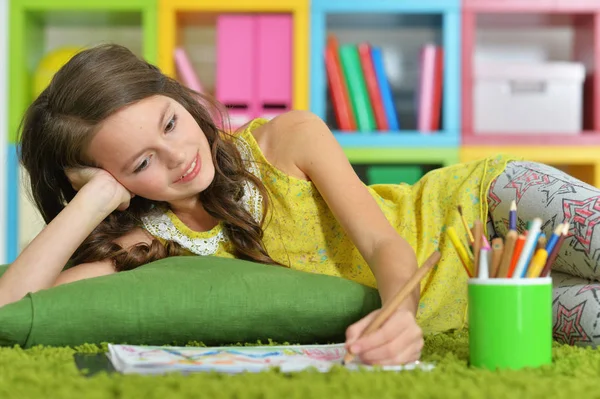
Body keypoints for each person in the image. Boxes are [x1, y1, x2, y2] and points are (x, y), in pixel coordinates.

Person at [2, 44, 600, 363]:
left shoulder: (287, 138)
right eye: (139, 164)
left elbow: (382, 242)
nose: (178, 156)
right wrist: (95, 201)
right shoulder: (151, 243)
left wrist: (399, 316)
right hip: (483, 303)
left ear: (180, 97)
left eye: (171, 122)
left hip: (485, 207)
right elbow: (13, 305)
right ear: (111, 180)